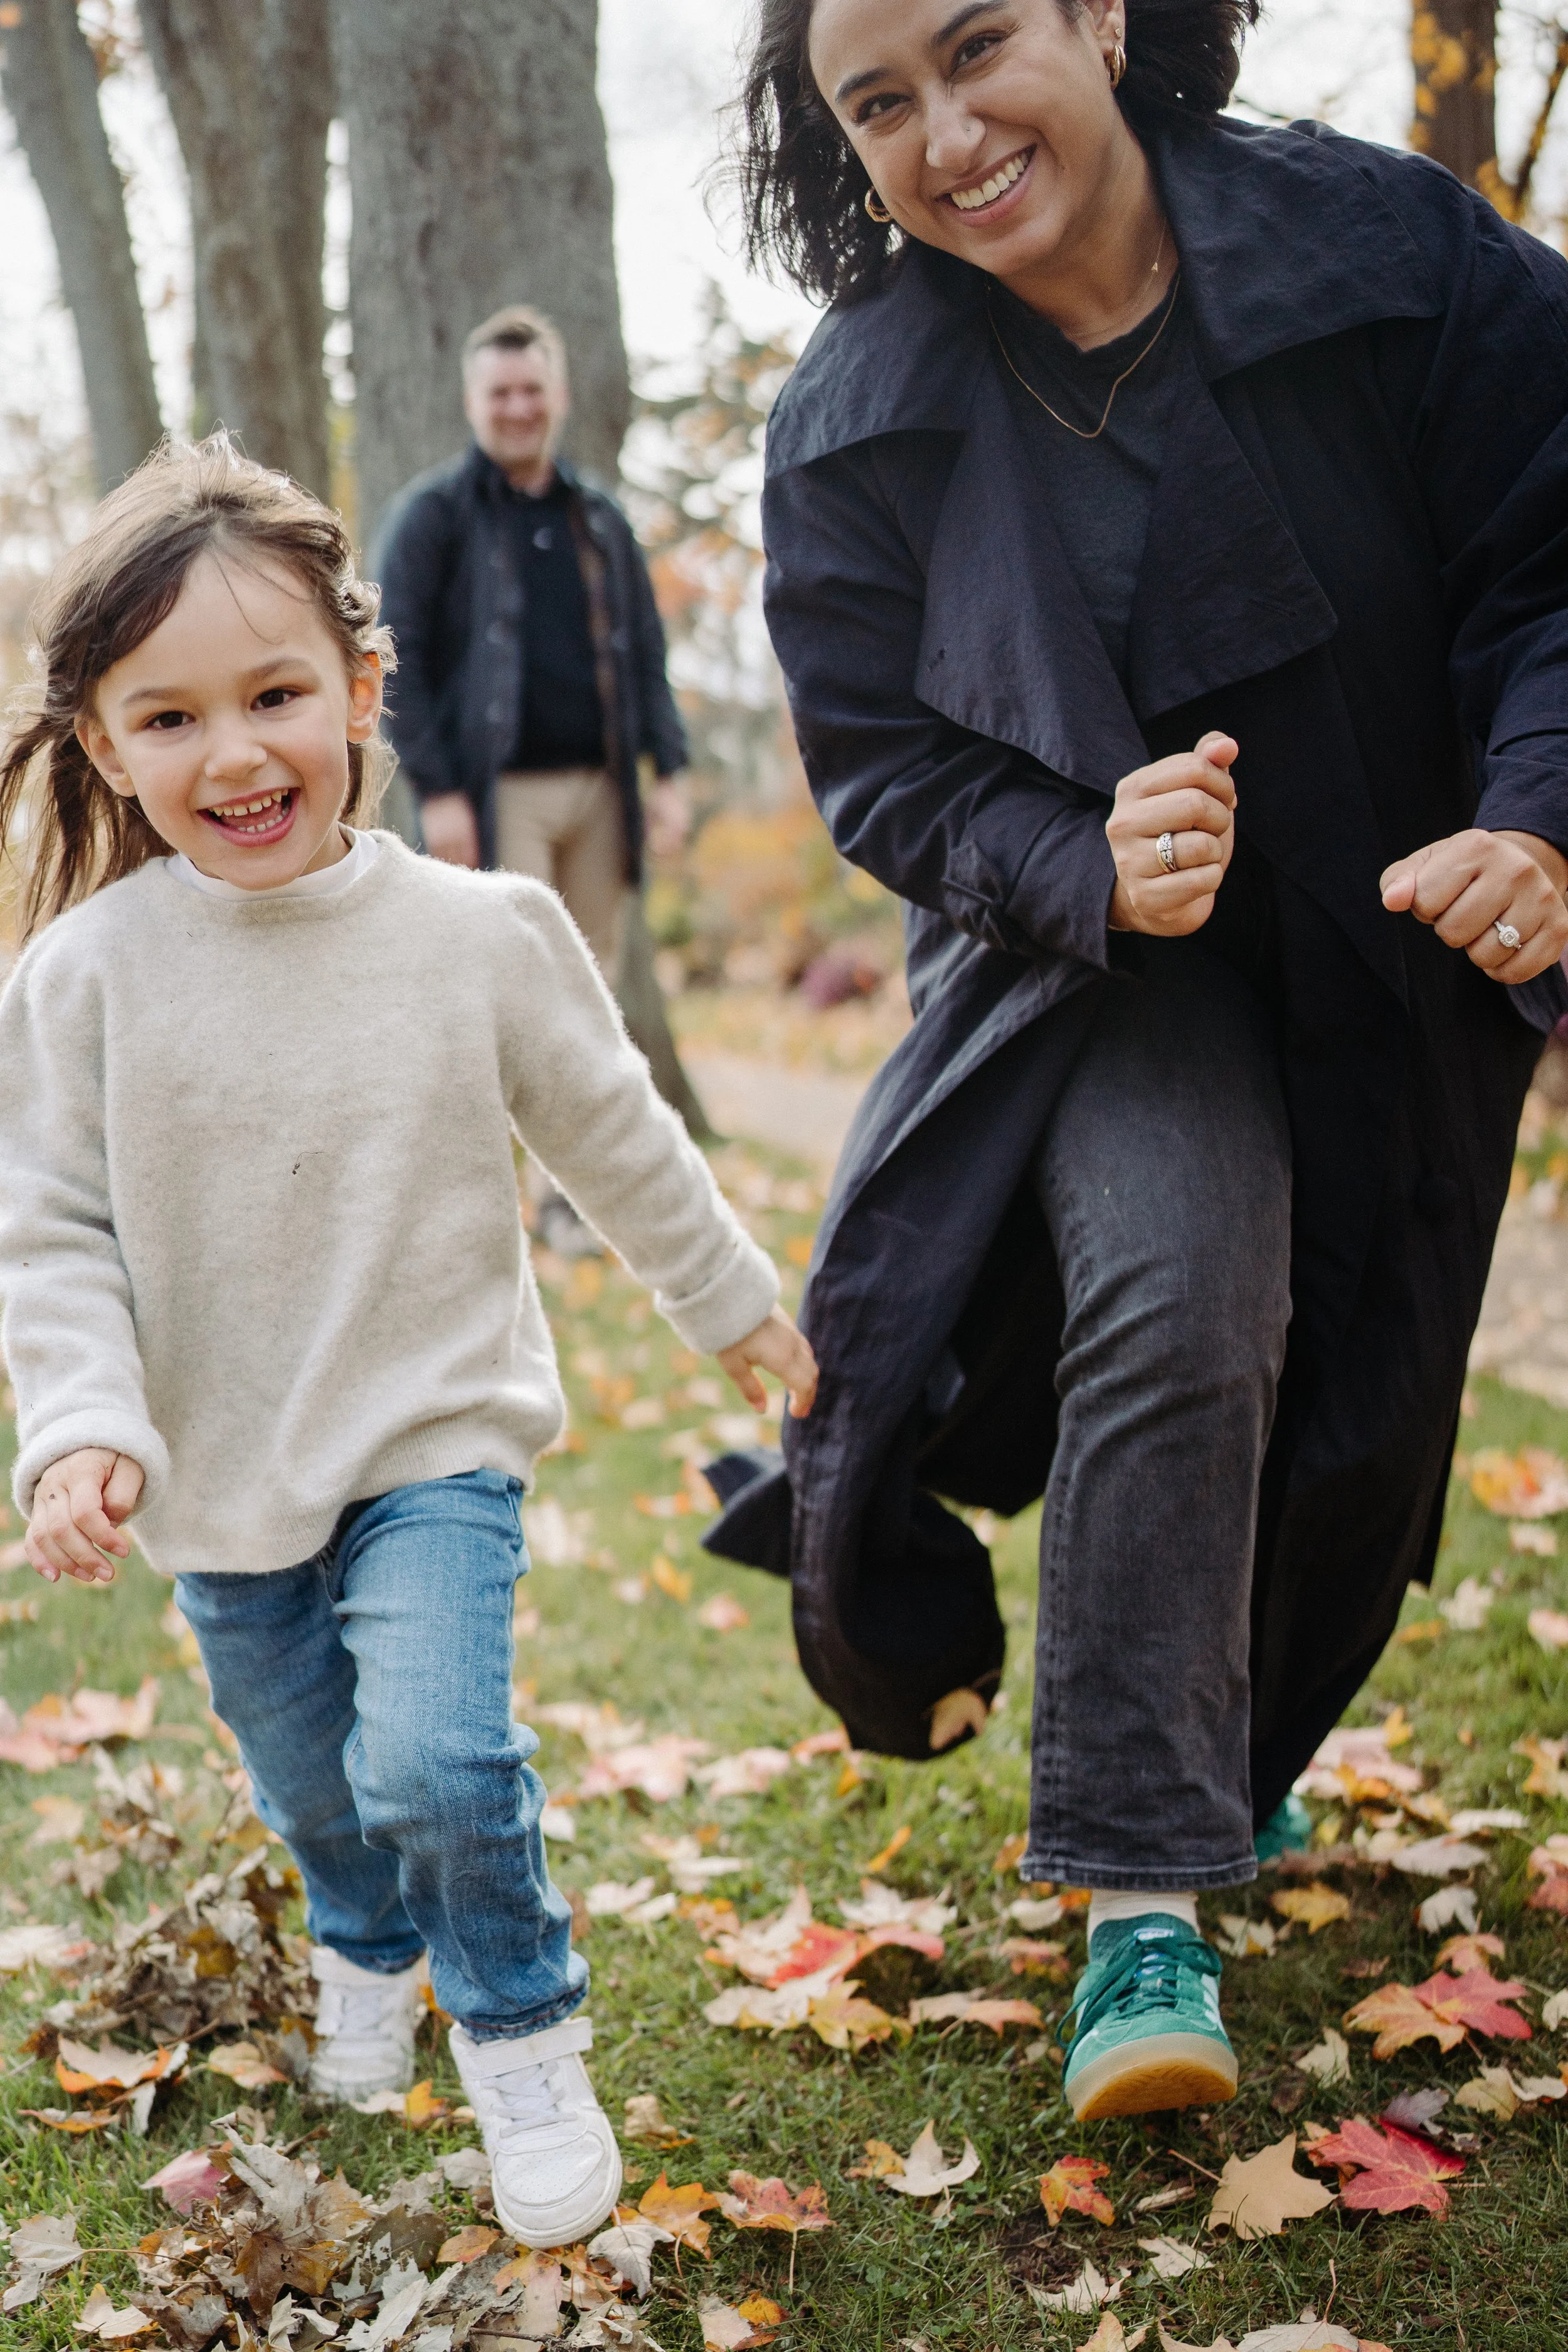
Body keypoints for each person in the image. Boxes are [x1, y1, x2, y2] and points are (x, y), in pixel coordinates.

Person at [709, 0, 1568, 2126]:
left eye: (977, 45)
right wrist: (1072, 858)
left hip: (1397, 934)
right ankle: (1140, 1899)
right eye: (877, 104)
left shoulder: (1398, 254)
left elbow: (1554, 559)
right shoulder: (855, 420)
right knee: (1183, 1290)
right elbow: (881, 765)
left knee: (1360, 1400)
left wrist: (1540, 817)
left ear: (1102, 12)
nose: (944, 133)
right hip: (1099, 977)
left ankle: (1232, 1755)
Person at [0, 438, 818, 2245]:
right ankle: (365, 1944)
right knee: (316, 1784)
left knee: (436, 1760)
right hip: (222, 1468)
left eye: (276, 694)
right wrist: (81, 1424)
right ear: (106, 748)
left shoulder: (479, 934)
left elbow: (614, 1132)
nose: (235, 754)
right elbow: (49, 1231)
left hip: (434, 1431)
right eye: (170, 718)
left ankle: (521, 2029)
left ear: (363, 687)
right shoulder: (80, 981)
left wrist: (730, 1299)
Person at [375, 307, 693, 1253]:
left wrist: (671, 772)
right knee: (501, 1000)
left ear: (558, 395)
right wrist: (437, 789)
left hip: (604, 794)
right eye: (500, 393)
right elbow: (393, 659)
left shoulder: (601, 519)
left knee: (589, 1004)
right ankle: (476, 1208)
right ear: (473, 401)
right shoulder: (435, 518)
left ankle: (568, 1204)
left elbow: (646, 656)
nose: (518, 408)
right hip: (494, 798)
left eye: (532, 390)